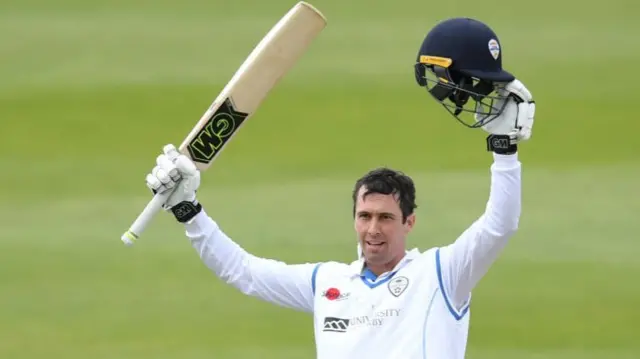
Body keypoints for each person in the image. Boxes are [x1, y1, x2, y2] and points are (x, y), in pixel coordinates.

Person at [143, 17, 535, 359]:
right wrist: (187, 210)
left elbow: (499, 226)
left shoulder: (443, 276)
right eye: (365, 216)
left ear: (409, 222)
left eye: (386, 217)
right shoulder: (327, 283)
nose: (373, 229)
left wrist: (504, 152)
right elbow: (243, 272)